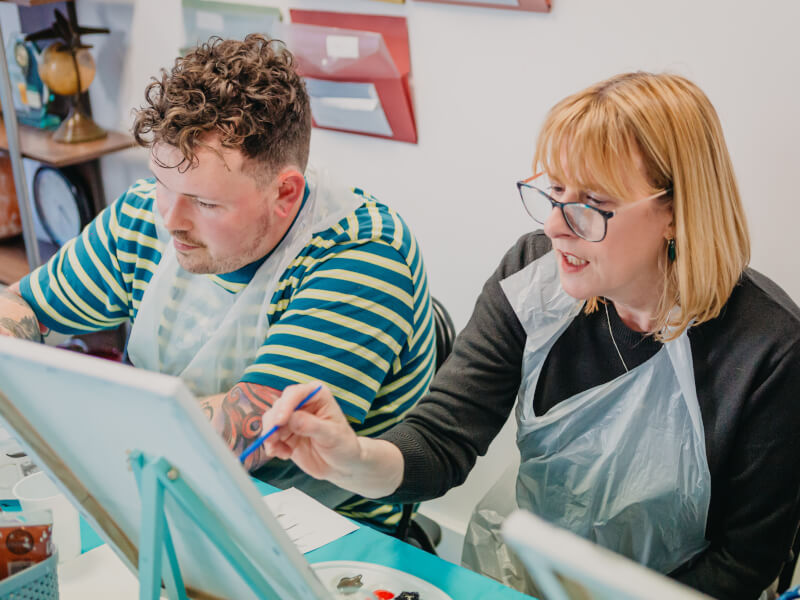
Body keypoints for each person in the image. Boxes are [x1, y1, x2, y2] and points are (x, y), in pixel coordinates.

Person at [258, 72, 800, 600]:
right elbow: (442, 442)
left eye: (592, 206)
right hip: (532, 579)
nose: (555, 227)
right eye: (554, 192)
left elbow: (744, 562)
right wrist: (352, 457)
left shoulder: (769, 350)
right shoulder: (532, 277)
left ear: (676, 214)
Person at [0, 34, 436, 532]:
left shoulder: (363, 257)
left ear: (285, 194)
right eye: (163, 183)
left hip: (323, 536)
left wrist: (54, 404)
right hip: (158, 490)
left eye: (205, 203)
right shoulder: (150, 211)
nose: (171, 220)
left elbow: (244, 432)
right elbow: (23, 308)